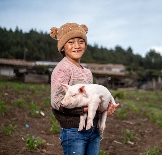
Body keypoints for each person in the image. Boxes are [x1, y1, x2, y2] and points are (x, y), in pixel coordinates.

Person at [50, 22, 119, 155]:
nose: (77, 46)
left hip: (93, 128)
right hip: (74, 131)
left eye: (81, 41)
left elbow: (91, 99)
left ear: (85, 45)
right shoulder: (62, 69)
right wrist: (86, 109)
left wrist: (103, 109)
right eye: (71, 42)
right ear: (63, 47)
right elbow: (57, 102)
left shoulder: (87, 72)